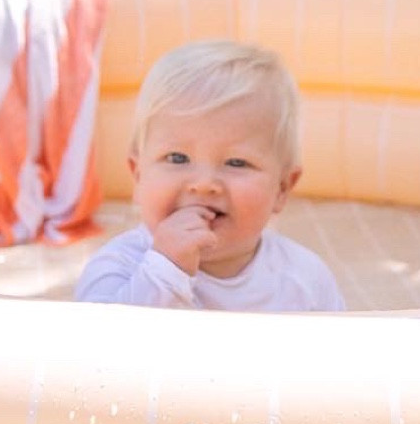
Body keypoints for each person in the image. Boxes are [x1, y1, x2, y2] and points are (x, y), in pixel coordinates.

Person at [76, 40, 344, 310]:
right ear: (138, 175)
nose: (204, 184)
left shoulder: (305, 279)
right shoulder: (118, 267)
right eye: (177, 158)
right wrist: (166, 269)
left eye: (236, 162)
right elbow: (99, 346)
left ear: (282, 189)